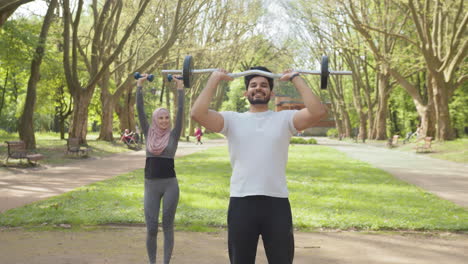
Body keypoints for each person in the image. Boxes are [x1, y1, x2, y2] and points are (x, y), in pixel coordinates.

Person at [190, 66, 327, 264]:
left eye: (264, 85)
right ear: (246, 93)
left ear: (271, 94)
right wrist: (214, 79)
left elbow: (318, 111)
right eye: (253, 85)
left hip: (276, 203)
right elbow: (197, 113)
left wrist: (296, 78)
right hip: (241, 202)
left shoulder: (284, 119)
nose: (258, 88)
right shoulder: (232, 120)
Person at [136, 73, 184, 264]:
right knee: (152, 227)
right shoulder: (148, 133)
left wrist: (180, 88)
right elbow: (140, 109)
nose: (164, 120)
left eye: (166, 118)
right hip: (151, 185)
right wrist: (139, 86)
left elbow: (180, 110)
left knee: (168, 225)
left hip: (170, 184)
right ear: (156, 119)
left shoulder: (173, 135)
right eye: (161, 118)